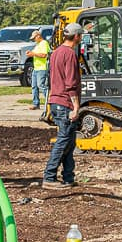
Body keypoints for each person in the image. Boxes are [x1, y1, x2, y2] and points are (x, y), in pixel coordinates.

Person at [42, 23, 83, 189]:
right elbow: (70, 83)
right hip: (65, 102)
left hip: (56, 101)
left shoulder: (56, 52)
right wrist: (76, 107)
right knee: (63, 140)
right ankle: (49, 176)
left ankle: (68, 176)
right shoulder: (70, 54)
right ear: (77, 36)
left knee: (69, 141)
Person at [26, 29, 50, 111]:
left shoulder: (44, 43)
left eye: (34, 38)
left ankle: (50, 102)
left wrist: (33, 54)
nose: (33, 40)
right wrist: (30, 53)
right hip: (36, 68)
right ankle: (36, 103)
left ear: (38, 36)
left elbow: (44, 55)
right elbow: (34, 53)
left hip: (42, 68)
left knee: (41, 86)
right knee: (34, 87)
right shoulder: (38, 44)